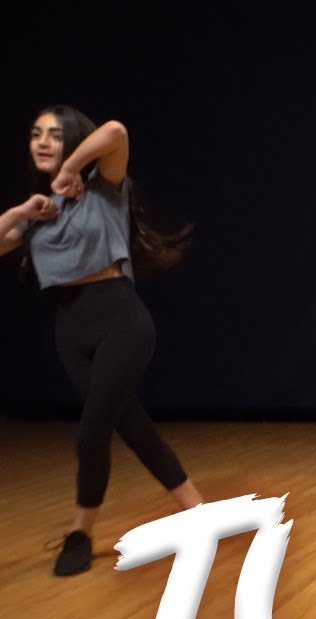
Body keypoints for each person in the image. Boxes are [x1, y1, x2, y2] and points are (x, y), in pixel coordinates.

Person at [0, 105, 203, 576]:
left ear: (73, 140)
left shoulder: (102, 187)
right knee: (131, 424)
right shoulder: (37, 216)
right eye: (35, 134)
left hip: (121, 321)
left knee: (93, 431)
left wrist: (72, 170)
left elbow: (115, 131)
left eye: (54, 134)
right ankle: (197, 510)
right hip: (71, 331)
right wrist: (19, 212)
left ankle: (81, 532)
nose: (42, 141)